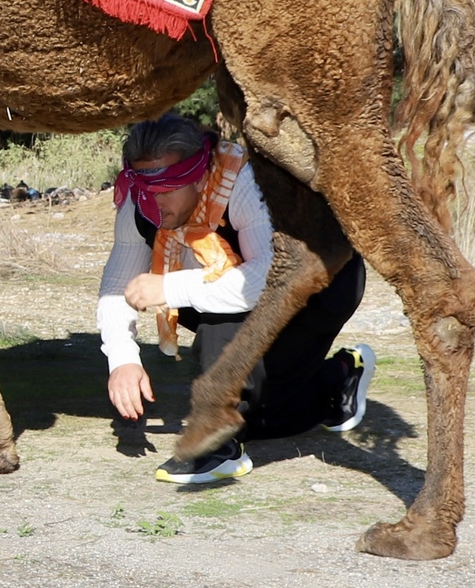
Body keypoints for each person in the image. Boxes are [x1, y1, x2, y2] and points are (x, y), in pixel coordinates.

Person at [99, 114, 374, 487]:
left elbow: (264, 278)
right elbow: (117, 283)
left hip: (318, 288)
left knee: (223, 330)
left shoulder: (244, 182)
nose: (153, 199)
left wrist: (170, 288)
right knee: (262, 418)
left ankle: (217, 448)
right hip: (229, 292)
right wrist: (122, 361)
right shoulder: (140, 204)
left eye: (166, 188)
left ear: (198, 176)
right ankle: (338, 378)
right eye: (145, 188)